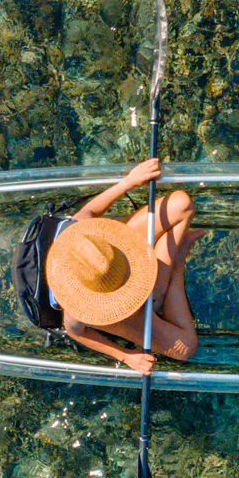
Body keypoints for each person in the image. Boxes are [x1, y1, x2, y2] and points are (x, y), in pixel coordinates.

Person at [44, 160, 199, 374]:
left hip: (114, 253)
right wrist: (125, 356)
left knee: (181, 203)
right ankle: (175, 269)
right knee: (185, 348)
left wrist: (129, 181)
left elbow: (89, 211)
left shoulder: (84, 238)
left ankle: (159, 293)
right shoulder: (79, 310)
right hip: (103, 304)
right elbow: (76, 332)